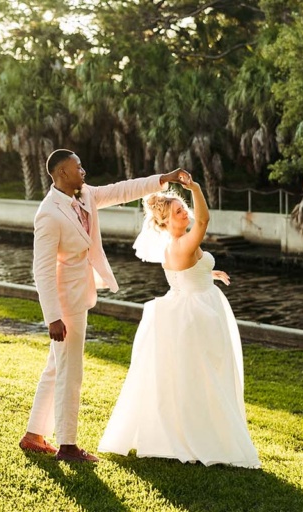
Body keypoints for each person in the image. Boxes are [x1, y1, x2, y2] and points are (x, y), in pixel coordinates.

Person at [19, 149, 190, 463]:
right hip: (65, 304)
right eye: (77, 167)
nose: (83, 171)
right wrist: (53, 317)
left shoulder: (85, 195)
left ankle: (33, 435)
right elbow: (42, 271)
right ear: (60, 174)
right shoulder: (48, 214)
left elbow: (122, 190)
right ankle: (67, 447)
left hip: (80, 295)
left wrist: (163, 180)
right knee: (71, 373)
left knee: (57, 367)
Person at [96, 172, 261, 468]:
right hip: (199, 314)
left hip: (192, 305)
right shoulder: (180, 243)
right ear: (165, 222)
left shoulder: (175, 245)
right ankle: (202, 436)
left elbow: (182, 275)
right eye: (178, 211)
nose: (185, 211)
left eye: (183, 207)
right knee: (207, 375)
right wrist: (196, 187)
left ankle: (199, 430)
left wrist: (208, 273)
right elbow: (205, 221)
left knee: (197, 376)